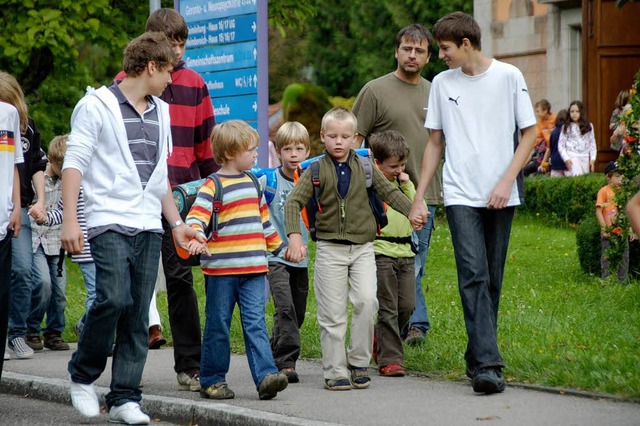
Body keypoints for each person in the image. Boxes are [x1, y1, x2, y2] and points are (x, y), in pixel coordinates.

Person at [62, 31, 202, 424]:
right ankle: (83, 375)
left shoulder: (162, 111)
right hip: (106, 219)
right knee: (113, 298)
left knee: (139, 313)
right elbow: (74, 163)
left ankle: (125, 396)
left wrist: (176, 224)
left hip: (147, 224)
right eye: (169, 71)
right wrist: (70, 218)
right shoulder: (96, 105)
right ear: (151, 66)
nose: (172, 80)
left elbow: (159, 179)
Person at [408, 12, 537, 394]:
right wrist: (418, 196)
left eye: (444, 48)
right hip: (461, 193)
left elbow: (530, 134)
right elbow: (435, 143)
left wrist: (506, 181)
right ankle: (488, 365)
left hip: (501, 193)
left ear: (466, 44)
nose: (440, 56)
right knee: (473, 275)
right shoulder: (442, 84)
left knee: (492, 279)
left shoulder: (509, 77)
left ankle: (477, 354)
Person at [284, 107, 421, 391]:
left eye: (345, 136)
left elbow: (391, 193)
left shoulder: (367, 168)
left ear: (355, 139)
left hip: (363, 249)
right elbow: (293, 202)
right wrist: (294, 236)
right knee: (332, 314)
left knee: (367, 302)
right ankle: (335, 370)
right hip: (329, 249)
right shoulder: (316, 169)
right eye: (332, 136)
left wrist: (412, 212)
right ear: (322, 136)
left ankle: (359, 362)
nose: (338, 141)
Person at [116, 8, 217, 379]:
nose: (178, 52)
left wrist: (213, 194)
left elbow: (206, 147)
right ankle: (127, 366)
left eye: (182, 44)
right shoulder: (124, 84)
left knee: (180, 279)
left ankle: (189, 366)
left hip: (182, 196)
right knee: (131, 284)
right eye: (171, 44)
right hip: (137, 198)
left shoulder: (195, 83)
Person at [184, 120, 289, 401]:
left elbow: (264, 222)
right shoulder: (213, 185)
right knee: (218, 323)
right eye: (251, 150)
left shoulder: (254, 183)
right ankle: (212, 380)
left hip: (254, 268)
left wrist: (280, 248)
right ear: (231, 153)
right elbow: (196, 217)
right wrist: (194, 237)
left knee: (255, 322)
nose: (256, 155)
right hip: (221, 270)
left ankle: (266, 376)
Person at [352, 24, 442, 346]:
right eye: (407, 48)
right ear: (396, 51)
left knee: (415, 262)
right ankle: (409, 325)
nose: (412, 55)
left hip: (425, 193)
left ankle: (411, 325)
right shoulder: (375, 91)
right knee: (390, 263)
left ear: (429, 56)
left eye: (419, 50)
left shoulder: (437, 92)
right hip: (384, 196)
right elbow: (355, 143)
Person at [0, 72, 47, 360]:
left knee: (25, 272)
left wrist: (38, 200)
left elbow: (32, 166)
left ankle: (17, 333)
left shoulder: (26, 129)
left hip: (20, 209)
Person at [259, 122, 311, 384]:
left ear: (307, 151)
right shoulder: (268, 180)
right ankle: (287, 362)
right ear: (278, 152)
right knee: (285, 307)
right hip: (275, 256)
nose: (293, 154)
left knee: (297, 312)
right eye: (287, 149)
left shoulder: (313, 180)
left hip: (301, 259)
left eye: (299, 149)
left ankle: (271, 349)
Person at [30, 136, 96, 338]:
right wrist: (44, 218)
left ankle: (83, 326)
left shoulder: (91, 181)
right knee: (95, 295)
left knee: (107, 296)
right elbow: (61, 212)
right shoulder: (68, 187)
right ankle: (92, 335)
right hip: (83, 250)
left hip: (103, 246)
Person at [369, 130, 417, 377]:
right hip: (382, 251)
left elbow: (413, 206)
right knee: (387, 306)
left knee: (407, 305)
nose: (399, 169)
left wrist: (407, 183)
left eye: (402, 164)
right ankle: (390, 359)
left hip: (406, 252)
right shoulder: (375, 186)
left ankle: (381, 338)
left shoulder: (403, 183)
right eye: (393, 166)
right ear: (377, 164)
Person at [25, 135, 69, 352]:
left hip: (57, 241)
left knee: (59, 291)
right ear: (51, 161)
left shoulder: (70, 181)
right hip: (36, 240)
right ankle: (31, 327)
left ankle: (54, 331)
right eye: (63, 167)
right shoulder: (38, 178)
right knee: (43, 284)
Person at [0, 90, 24, 371]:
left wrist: (17, 205)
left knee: (3, 296)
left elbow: (14, 165)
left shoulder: (9, 113)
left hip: (4, 221)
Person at [596, 161, 630, 281]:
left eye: (622, 176)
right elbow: (599, 211)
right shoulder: (604, 191)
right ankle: (606, 281)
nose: (620, 179)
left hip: (622, 231)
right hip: (609, 231)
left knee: (624, 256)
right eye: (617, 176)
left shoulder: (623, 192)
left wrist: (629, 229)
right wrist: (604, 228)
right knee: (607, 256)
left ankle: (622, 281)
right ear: (608, 177)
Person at [558, 100, 596, 176]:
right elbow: (561, 145)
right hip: (572, 155)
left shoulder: (589, 126)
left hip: (585, 156)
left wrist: (593, 158)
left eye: (577, 111)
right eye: (572, 111)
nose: (574, 114)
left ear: (581, 112)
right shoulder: (566, 126)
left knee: (584, 179)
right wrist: (566, 158)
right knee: (576, 177)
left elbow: (592, 143)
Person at [524, 99, 555, 176]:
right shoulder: (540, 121)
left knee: (539, 173)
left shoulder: (555, 119)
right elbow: (537, 138)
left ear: (545, 111)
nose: (536, 113)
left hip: (550, 153)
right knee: (524, 171)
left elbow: (550, 144)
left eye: (538, 111)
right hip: (541, 153)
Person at [541, 109, 570, 177]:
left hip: (555, 163)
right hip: (566, 162)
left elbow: (549, 149)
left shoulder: (553, 132)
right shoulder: (568, 132)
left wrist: (543, 163)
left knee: (555, 183)